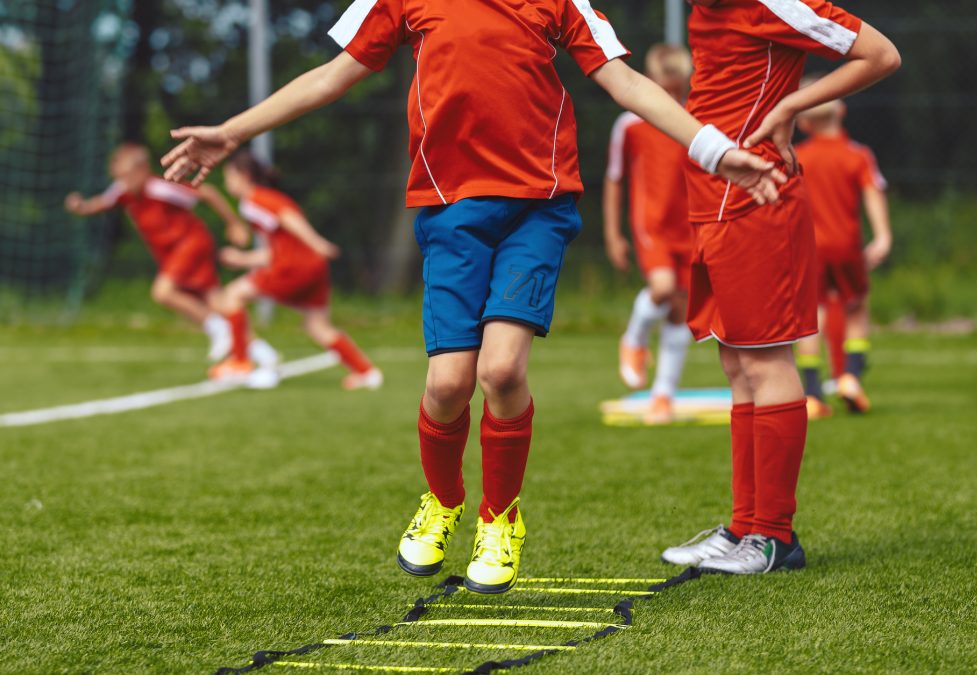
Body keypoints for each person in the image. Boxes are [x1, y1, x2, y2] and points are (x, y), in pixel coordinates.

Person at [160, 0, 784, 593]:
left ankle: (499, 516)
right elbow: (332, 75)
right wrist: (232, 133)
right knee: (447, 385)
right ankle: (444, 501)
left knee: (503, 368)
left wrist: (713, 150)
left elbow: (627, 82)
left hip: (538, 211)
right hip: (449, 214)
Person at [660, 0, 900, 575]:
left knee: (766, 362)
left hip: (758, 199)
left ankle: (774, 536)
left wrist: (792, 103)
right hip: (712, 201)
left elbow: (882, 54)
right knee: (739, 365)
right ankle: (744, 526)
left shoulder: (774, 3)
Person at [211, 150, 383, 391]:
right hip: (312, 266)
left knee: (231, 296)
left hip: (293, 268)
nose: (227, 182)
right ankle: (366, 373)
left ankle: (240, 362)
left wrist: (317, 241)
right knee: (318, 326)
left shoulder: (253, 200)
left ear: (244, 175)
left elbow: (287, 217)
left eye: (229, 176)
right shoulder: (265, 199)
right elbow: (280, 247)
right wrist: (243, 260)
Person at [64, 143, 245, 361]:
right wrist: (81, 207)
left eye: (127, 176)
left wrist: (234, 224)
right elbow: (103, 202)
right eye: (119, 177)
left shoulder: (159, 188)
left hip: (189, 244)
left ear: (141, 170)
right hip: (173, 253)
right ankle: (259, 353)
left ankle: (218, 328)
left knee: (163, 291)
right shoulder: (123, 190)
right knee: (216, 301)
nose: (122, 182)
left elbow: (208, 193)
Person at [604, 43, 696, 425]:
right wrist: (613, 234)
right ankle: (635, 340)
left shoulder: (696, 119)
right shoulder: (630, 124)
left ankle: (663, 395)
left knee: (680, 309)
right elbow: (614, 179)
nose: (672, 86)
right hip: (652, 225)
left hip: (690, 227)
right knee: (662, 288)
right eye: (666, 77)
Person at [794, 79, 892, 417]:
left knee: (813, 314)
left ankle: (811, 392)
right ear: (842, 111)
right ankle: (851, 374)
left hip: (810, 248)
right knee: (856, 306)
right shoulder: (858, 156)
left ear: (804, 122)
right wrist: (882, 236)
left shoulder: (798, 156)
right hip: (847, 246)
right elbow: (873, 194)